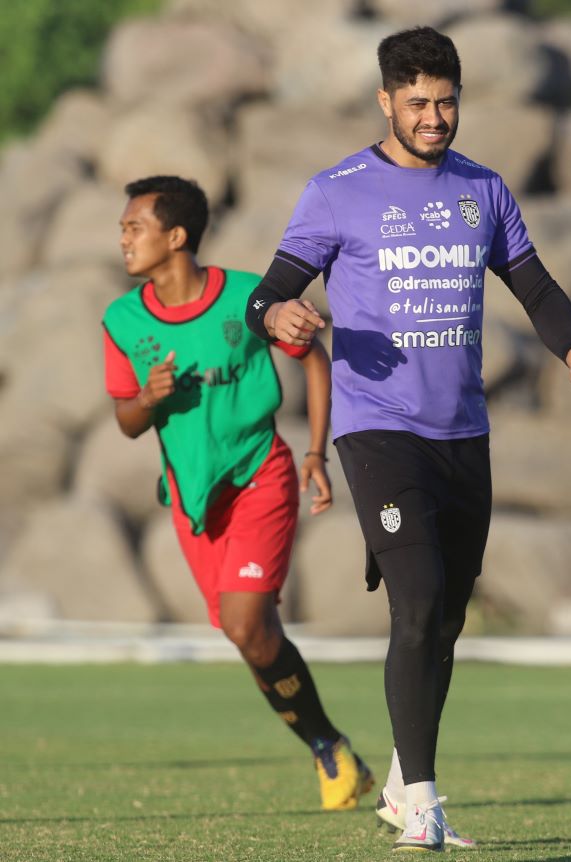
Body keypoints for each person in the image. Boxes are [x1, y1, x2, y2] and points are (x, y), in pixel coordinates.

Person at [245, 26, 571, 851]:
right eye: (417, 103)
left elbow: (535, 285)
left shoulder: (482, 189)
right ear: (386, 101)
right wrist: (279, 316)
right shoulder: (337, 191)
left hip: (463, 433)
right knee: (414, 603)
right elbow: (264, 296)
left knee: (443, 620)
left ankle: (401, 780)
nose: (434, 118)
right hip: (377, 428)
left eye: (446, 102)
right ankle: (422, 805)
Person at [102, 175, 374, 812]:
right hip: (191, 498)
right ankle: (332, 747)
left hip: (260, 476)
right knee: (249, 636)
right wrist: (148, 398)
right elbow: (126, 421)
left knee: (244, 622)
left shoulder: (249, 298)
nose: (124, 239)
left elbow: (314, 358)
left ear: (176, 236)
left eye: (134, 227)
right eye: (122, 229)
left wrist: (315, 453)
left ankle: (329, 751)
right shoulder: (121, 320)